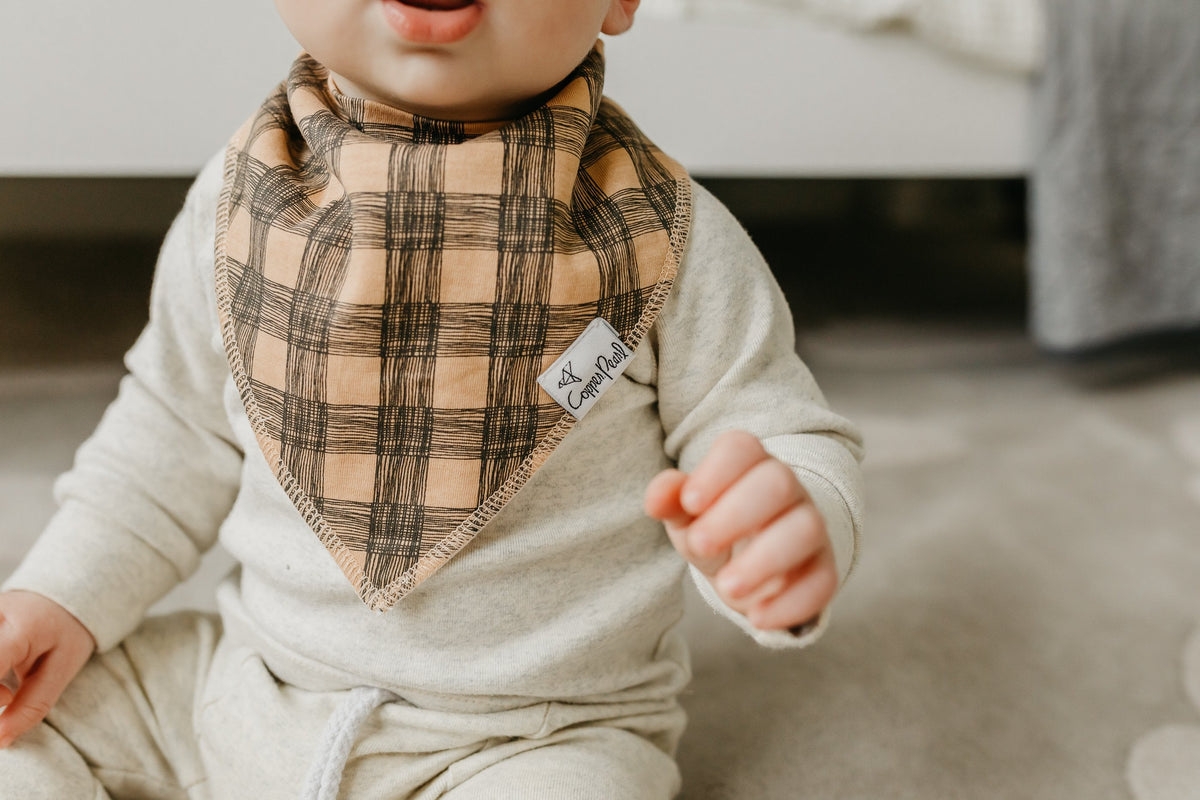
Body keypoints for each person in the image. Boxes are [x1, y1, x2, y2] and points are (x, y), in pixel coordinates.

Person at [0, 0, 864, 796]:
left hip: (531, 737)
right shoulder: (237, 206)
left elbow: (777, 430)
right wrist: (61, 598)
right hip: (249, 687)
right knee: (28, 728)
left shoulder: (663, 237)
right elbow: (167, 439)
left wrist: (785, 522)